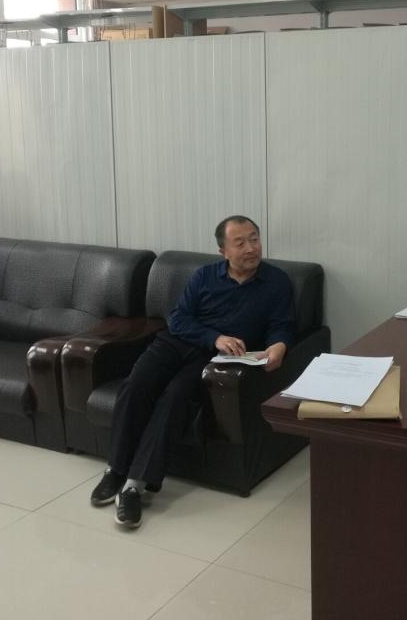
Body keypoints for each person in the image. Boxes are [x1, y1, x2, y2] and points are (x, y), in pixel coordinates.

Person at [90, 215, 294, 528]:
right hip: (176, 344)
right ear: (223, 251)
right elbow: (178, 319)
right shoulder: (204, 276)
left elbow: (282, 325)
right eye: (240, 242)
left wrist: (279, 346)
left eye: (254, 239)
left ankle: (134, 486)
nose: (251, 248)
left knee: (175, 397)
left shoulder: (276, 282)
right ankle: (115, 470)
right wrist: (216, 336)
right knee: (136, 384)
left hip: (213, 359)